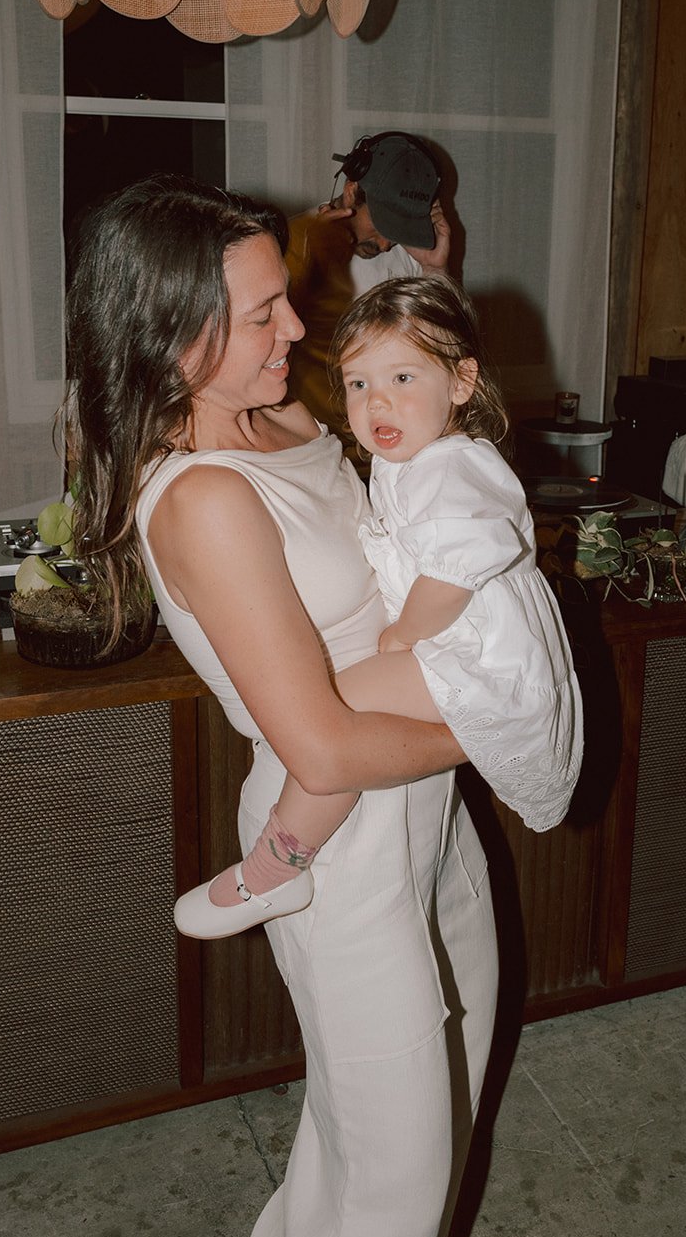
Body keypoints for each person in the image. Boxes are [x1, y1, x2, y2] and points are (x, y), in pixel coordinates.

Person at [63, 173, 497, 1237]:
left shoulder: (286, 412)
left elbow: (424, 439)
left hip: (431, 814)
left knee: (428, 1119)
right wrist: (505, 715)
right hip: (342, 844)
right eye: (263, 314)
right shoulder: (202, 497)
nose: (296, 326)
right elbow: (330, 747)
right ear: (170, 336)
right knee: (389, 1178)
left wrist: (433, 283)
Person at [175, 274, 584, 940]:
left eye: (401, 379)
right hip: (459, 642)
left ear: (461, 382)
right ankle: (282, 858)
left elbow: (453, 572)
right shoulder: (414, 459)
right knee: (331, 719)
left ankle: (274, 871)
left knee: (332, 716)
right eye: (358, 384)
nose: (375, 404)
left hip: (471, 648)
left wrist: (403, 634)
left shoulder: (453, 469)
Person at [286, 131, 451, 448]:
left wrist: (435, 270)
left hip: (388, 449)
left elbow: (442, 356)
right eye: (383, 224)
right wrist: (308, 265)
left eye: (401, 228)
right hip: (314, 449)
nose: (387, 243)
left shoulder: (409, 258)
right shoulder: (291, 245)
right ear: (352, 191)